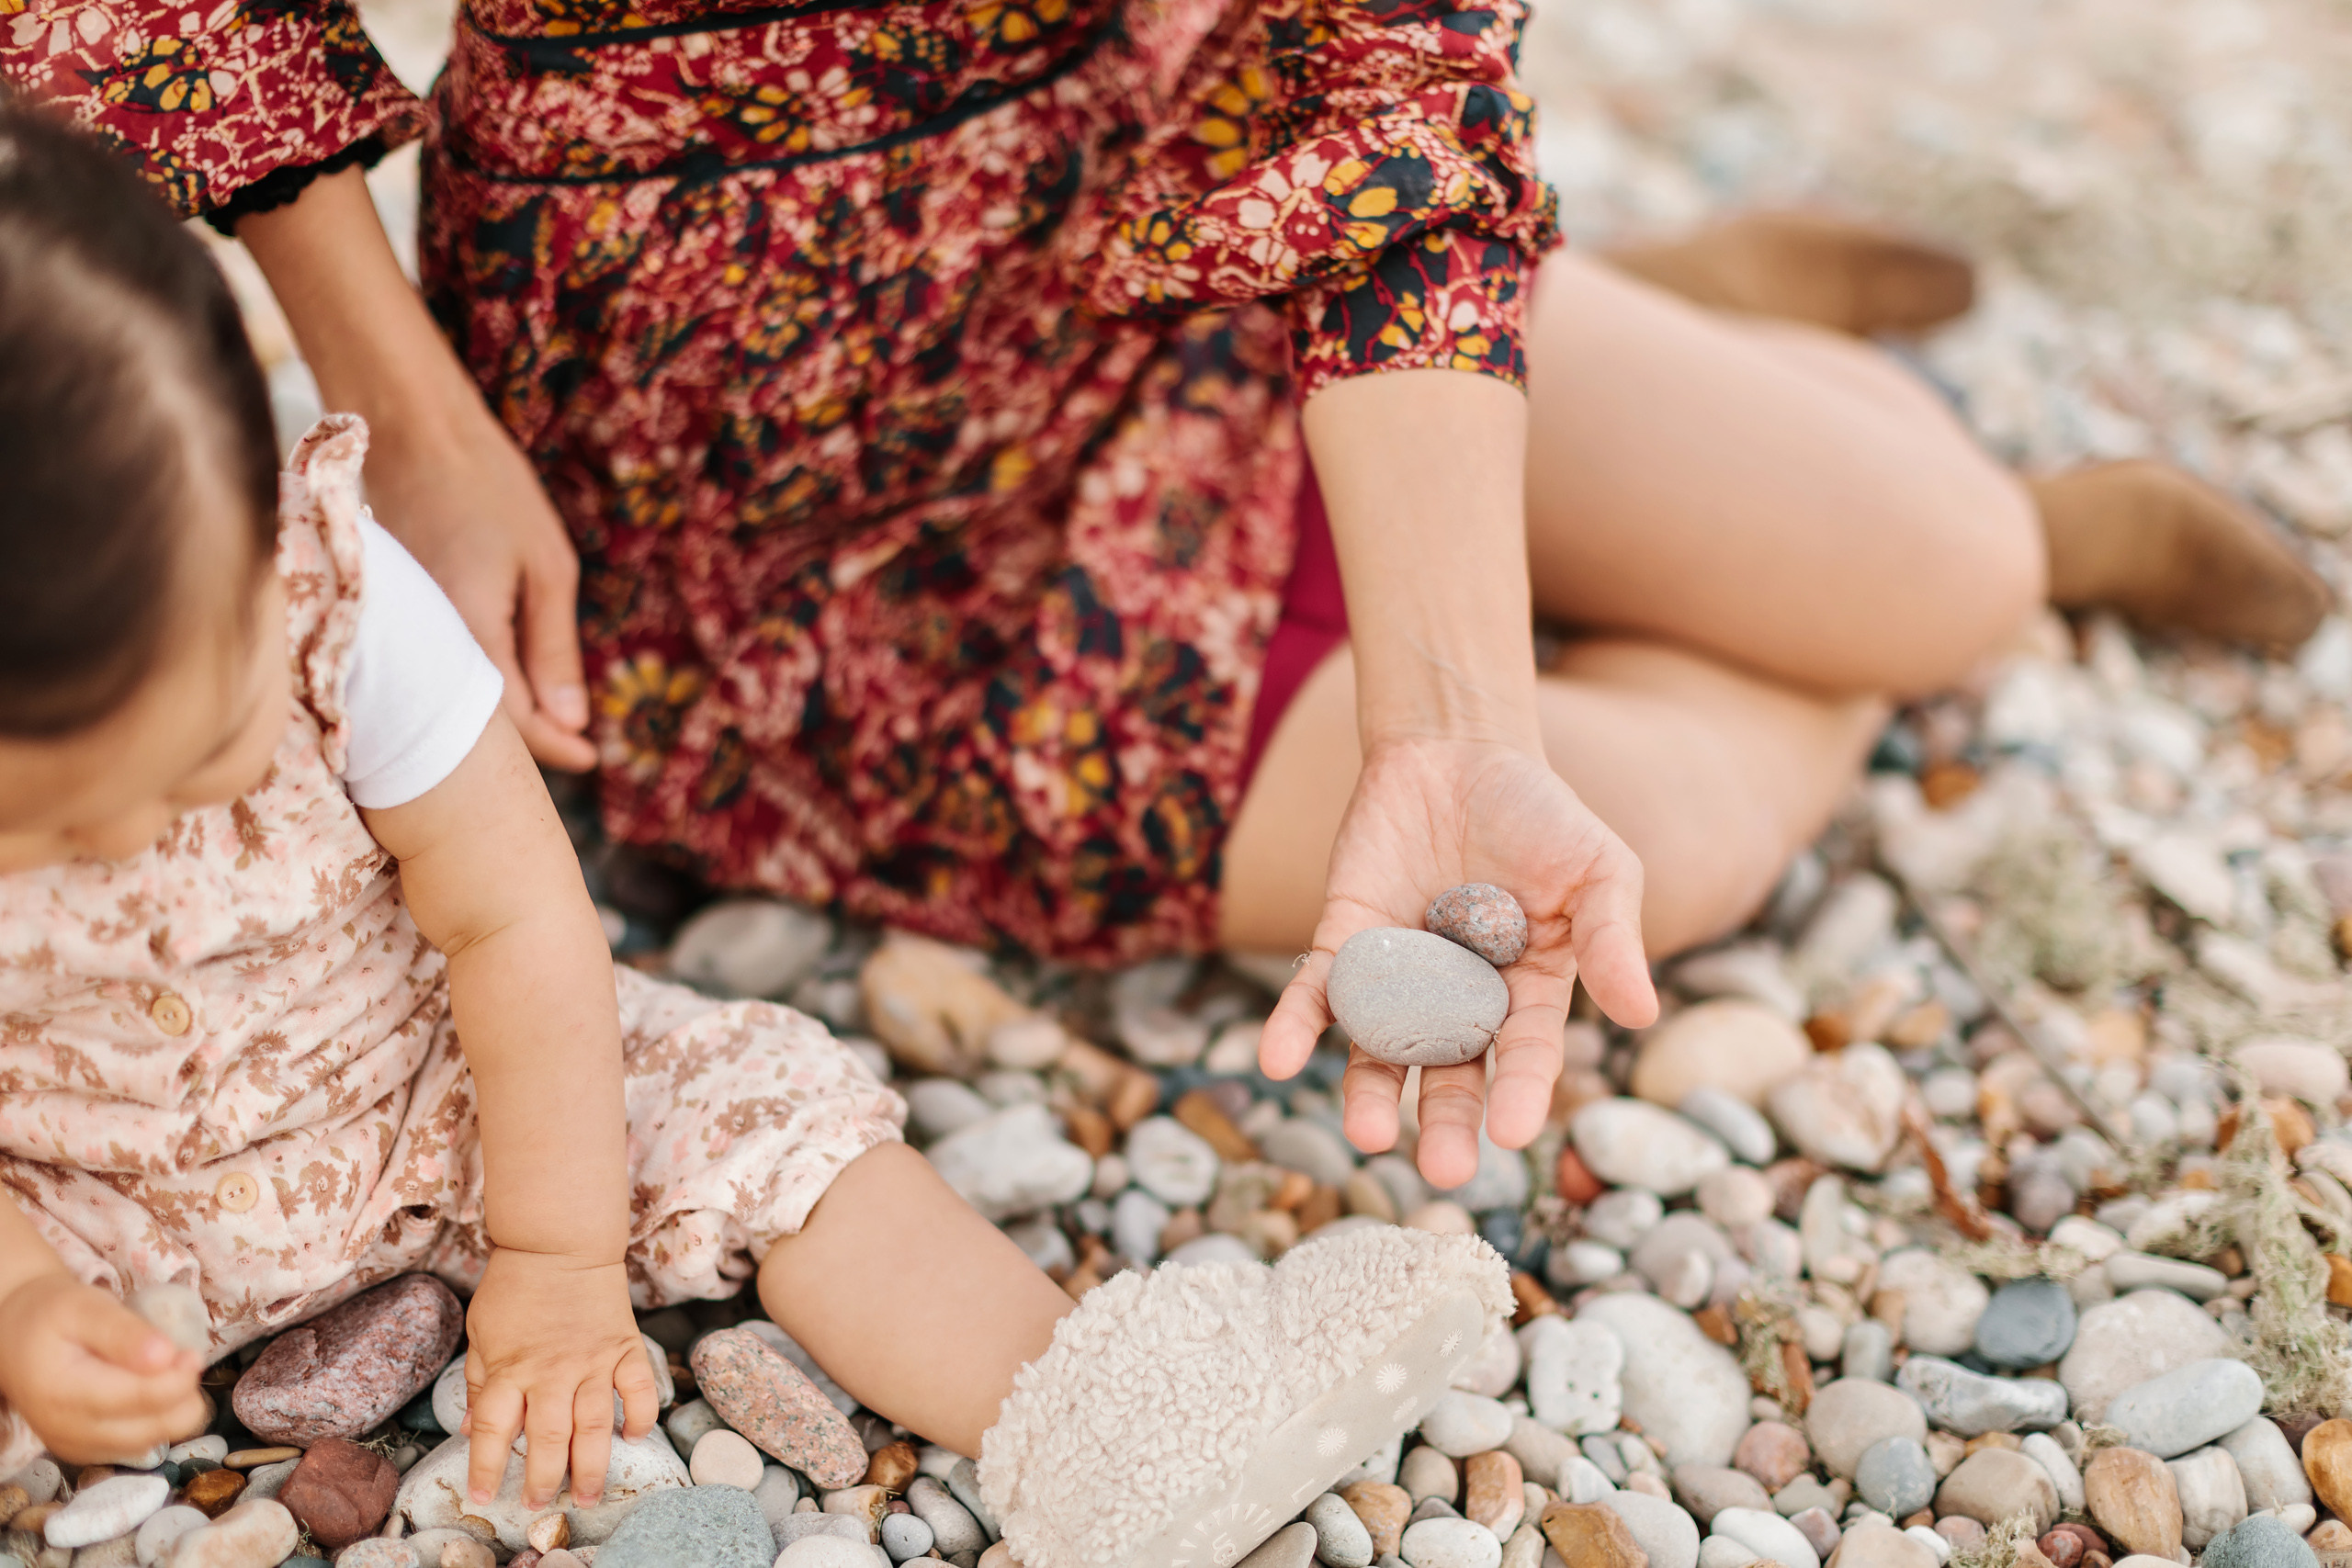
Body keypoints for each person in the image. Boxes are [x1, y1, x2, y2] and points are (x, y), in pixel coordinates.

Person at [5, 0, 2328, 1196]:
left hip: (1187, 220)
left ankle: (1885, 480)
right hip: (738, 464)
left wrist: (1453, 707)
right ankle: (1684, 381)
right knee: (1676, 844)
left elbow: (1371, 29)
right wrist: (381, 370)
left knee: (1931, 568)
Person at [0, 108, 1510, 1568]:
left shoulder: (336, 594)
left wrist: (561, 1256)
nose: (134, 836)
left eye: (205, 755)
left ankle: (1110, 1423)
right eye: (47, 823)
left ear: (263, 525)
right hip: (81, 1194)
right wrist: (23, 1312)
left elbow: (511, 921)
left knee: (772, 1114)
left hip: (438, 1077)